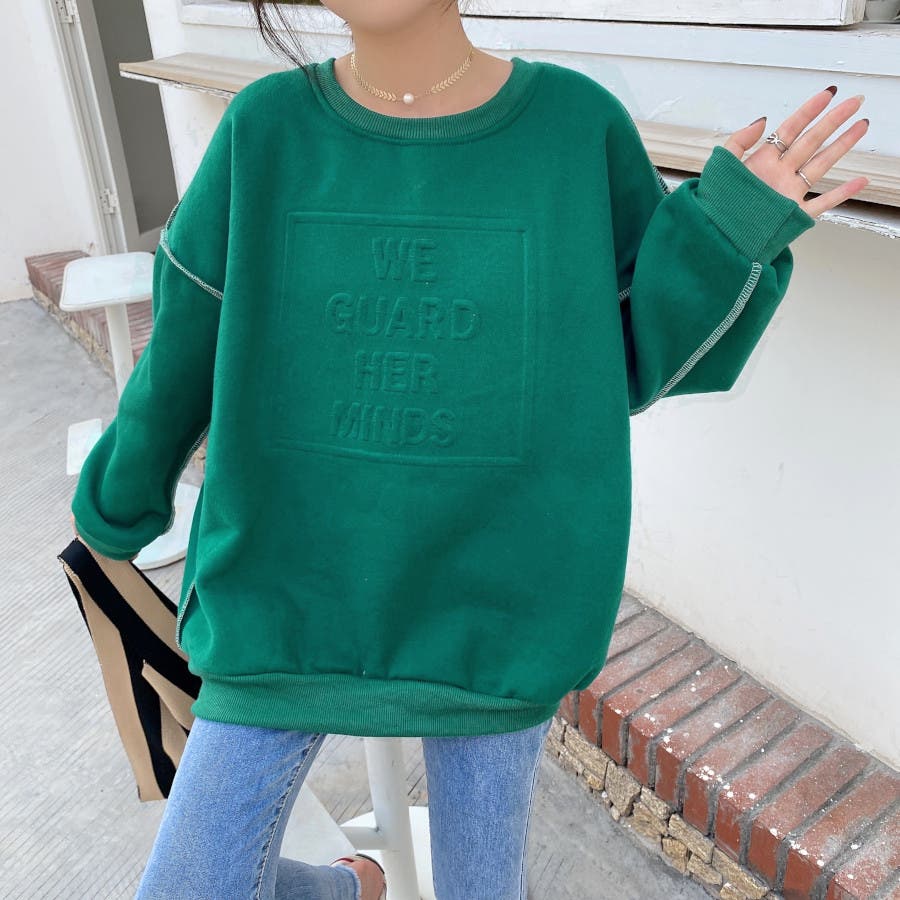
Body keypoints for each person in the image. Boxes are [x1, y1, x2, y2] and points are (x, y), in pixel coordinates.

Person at [69, 0, 870, 897]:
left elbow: (630, 357)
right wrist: (115, 504)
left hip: (499, 605)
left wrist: (729, 228)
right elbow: (185, 341)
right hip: (285, 593)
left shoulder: (574, 126)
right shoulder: (266, 129)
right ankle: (351, 887)